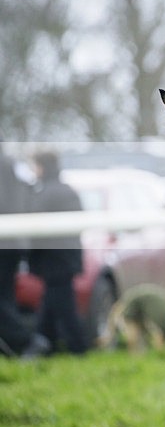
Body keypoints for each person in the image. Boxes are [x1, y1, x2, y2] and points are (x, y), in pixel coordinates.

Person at [28, 151, 87, 355]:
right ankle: (46, 343)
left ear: (42, 167)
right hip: (66, 259)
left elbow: (34, 229)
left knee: (63, 307)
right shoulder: (67, 190)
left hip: (54, 260)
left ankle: (77, 348)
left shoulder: (44, 193)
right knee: (52, 304)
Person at [0, 144, 50, 357]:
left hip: (6, 241)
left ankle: (28, 342)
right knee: (7, 298)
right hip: (14, 242)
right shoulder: (13, 164)